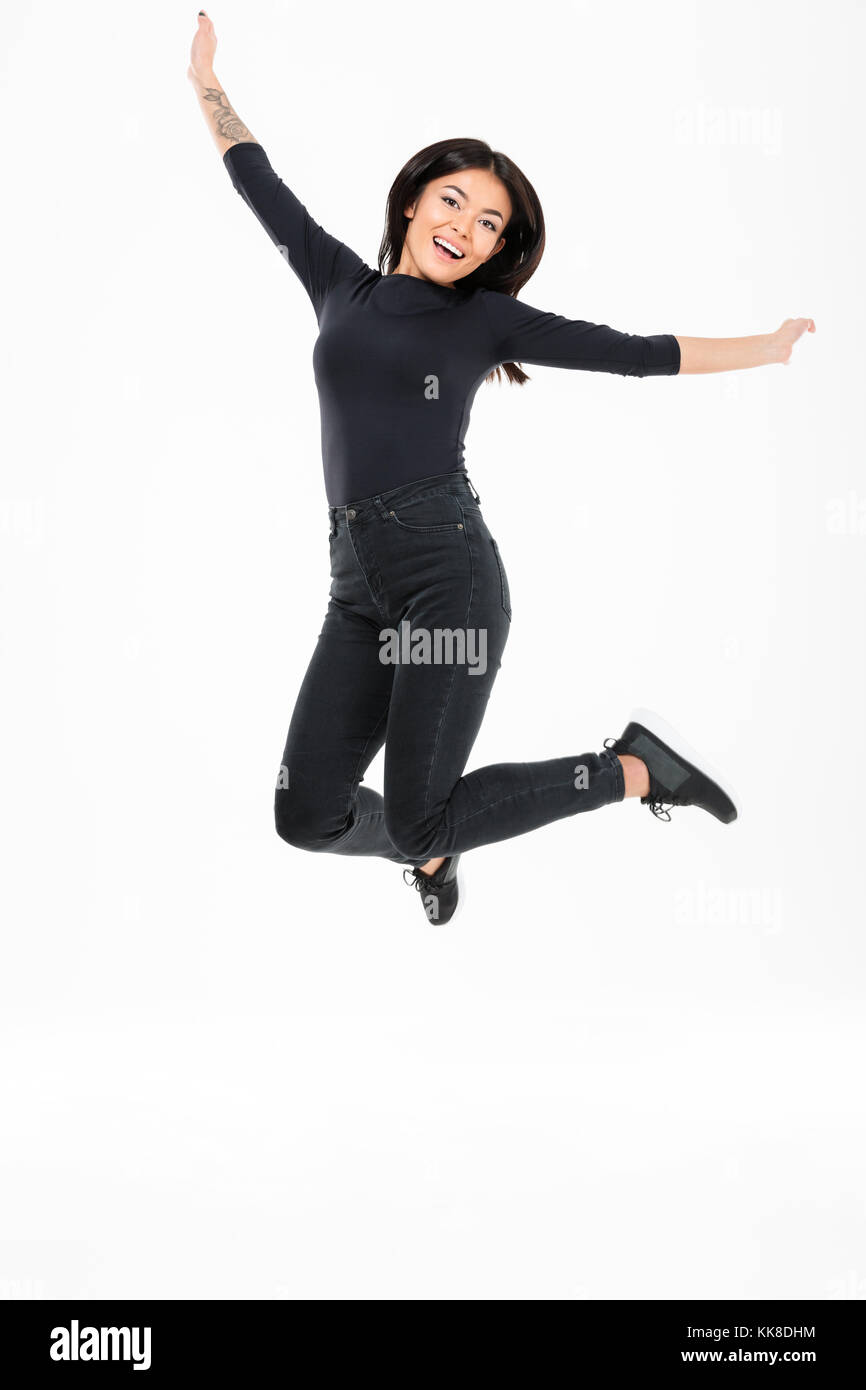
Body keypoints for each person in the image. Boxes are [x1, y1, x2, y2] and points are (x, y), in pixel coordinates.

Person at [188, 12, 816, 925]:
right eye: (454, 203)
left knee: (414, 813)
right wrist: (205, 78)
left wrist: (765, 346)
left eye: (489, 226)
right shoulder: (337, 282)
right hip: (357, 585)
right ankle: (435, 846)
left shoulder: (483, 323)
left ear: (494, 251)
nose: (467, 229)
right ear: (413, 202)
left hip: (446, 575)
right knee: (307, 813)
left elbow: (637, 352)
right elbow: (256, 177)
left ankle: (633, 770)